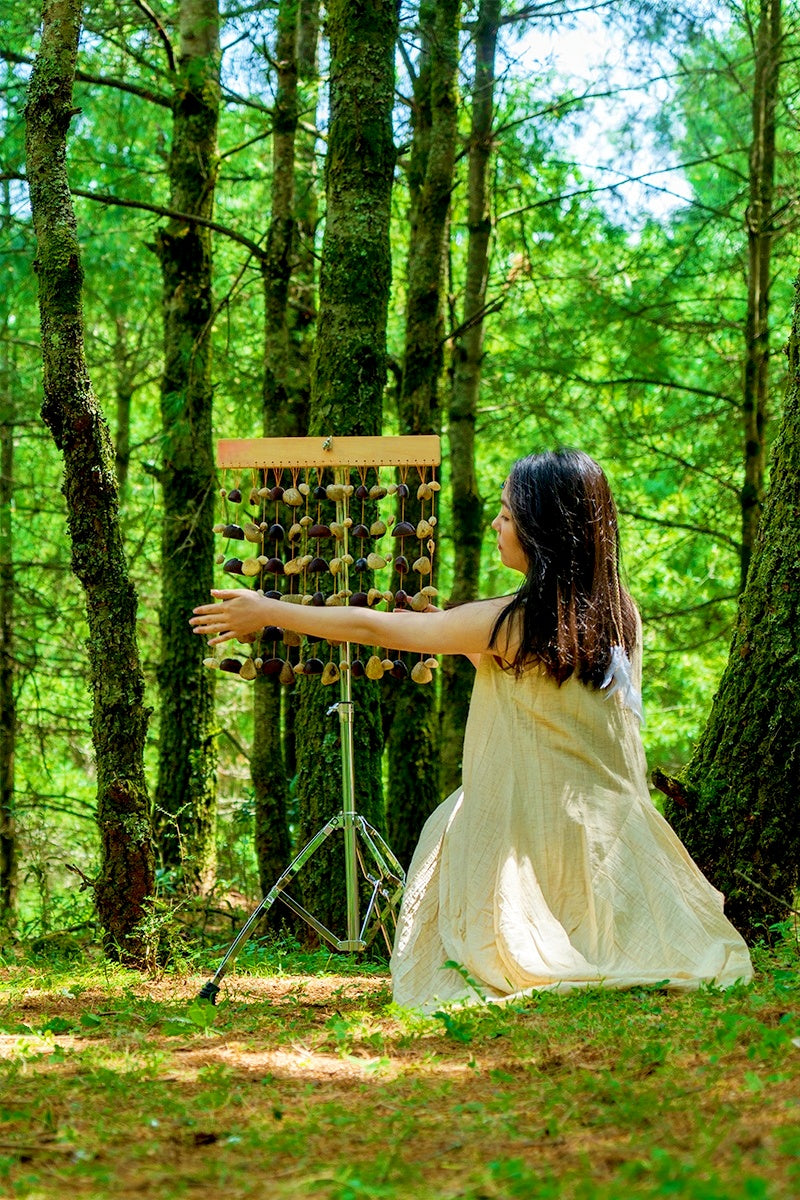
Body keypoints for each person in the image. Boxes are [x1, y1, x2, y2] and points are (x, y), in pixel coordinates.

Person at [191, 449, 753, 1010]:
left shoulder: (506, 624)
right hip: (607, 835)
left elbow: (370, 626)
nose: (495, 524)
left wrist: (269, 610)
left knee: (456, 823)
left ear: (542, 532)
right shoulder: (621, 615)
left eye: (507, 515)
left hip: (528, 833)